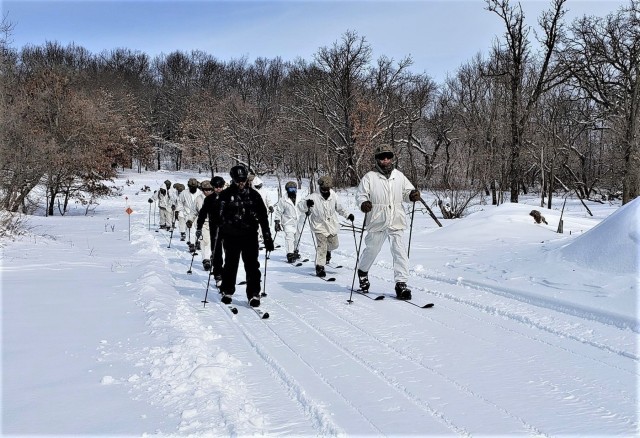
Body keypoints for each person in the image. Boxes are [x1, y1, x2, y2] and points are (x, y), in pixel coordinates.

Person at [355, 144, 421, 300]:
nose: (386, 160)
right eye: (382, 157)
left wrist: (412, 195)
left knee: (399, 251)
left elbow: (406, 192)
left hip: (396, 219)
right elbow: (360, 195)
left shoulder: (398, 175)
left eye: (388, 156)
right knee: (372, 249)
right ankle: (362, 272)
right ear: (377, 159)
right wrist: (364, 203)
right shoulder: (369, 177)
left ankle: (401, 284)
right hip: (377, 219)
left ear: (392, 158)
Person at [212, 165, 273, 307]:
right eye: (238, 180)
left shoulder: (254, 195)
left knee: (252, 265)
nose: (241, 183)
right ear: (233, 179)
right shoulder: (225, 195)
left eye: (243, 180)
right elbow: (217, 218)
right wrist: (218, 233)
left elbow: (263, 217)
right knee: (230, 264)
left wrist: (267, 236)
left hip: (250, 236)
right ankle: (227, 290)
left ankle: (253, 293)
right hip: (231, 236)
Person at [299, 176, 354, 278]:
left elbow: (340, 208)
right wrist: (306, 204)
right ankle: (320, 267)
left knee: (335, 245)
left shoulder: (333, 195)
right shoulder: (313, 197)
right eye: (324, 188)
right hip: (319, 226)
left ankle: (327, 252)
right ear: (320, 187)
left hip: (332, 225)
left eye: (328, 188)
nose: (326, 190)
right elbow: (300, 207)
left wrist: (348, 215)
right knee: (322, 246)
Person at [196, 176, 226, 281]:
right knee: (216, 251)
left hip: (227, 228)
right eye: (216, 187)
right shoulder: (209, 199)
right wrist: (199, 227)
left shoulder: (228, 196)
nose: (218, 189)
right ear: (213, 187)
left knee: (230, 252)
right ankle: (217, 272)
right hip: (214, 228)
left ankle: (227, 272)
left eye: (220, 186)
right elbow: (202, 214)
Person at [273, 181, 303, 263]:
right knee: (289, 237)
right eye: (290, 189)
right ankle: (290, 254)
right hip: (288, 221)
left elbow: (303, 207)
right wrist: (277, 222)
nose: (292, 191)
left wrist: (308, 210)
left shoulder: (300, 198)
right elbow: (279, 211)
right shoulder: (283, 200)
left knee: (297, 237)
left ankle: (295, 251)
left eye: (294, 189)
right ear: (287, 190)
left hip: (298, 221)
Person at [176, 178, 201, 246]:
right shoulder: (184, 193)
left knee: (198, 228)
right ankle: (191, 243)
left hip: (199, 214)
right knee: (190, 228)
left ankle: (198, 241)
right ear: (188, 186)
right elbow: (180, 202)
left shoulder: (200, 192)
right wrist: (178, 211)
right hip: (188, 213)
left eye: (194, 187)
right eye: (191, 186)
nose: (193, 188)